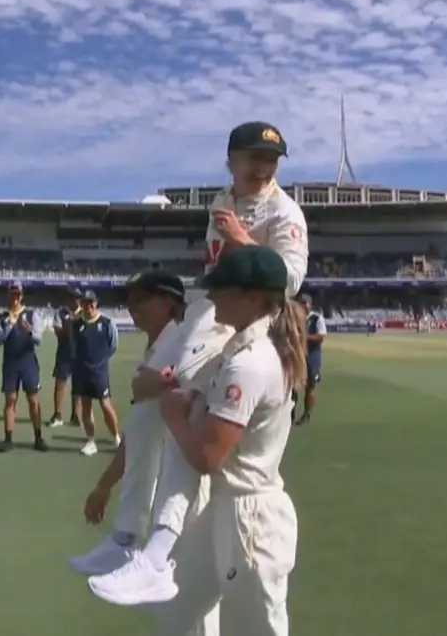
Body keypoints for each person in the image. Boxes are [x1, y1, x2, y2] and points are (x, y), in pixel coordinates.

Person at [87, 121, 308, 613]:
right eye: (251, 157)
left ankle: (156, 553)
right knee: (145, 399)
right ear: (230, 158)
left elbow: (287, 282)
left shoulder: (283, 213)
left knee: (177, 412)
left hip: (248, 320)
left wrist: (242, 238)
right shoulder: (219, 201)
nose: (261, 167)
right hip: (211, 308)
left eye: (269, 160)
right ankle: (128, 535)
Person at [107, 246, 305, 635]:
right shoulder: (243, 349)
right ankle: (154, 561)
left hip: (250, 519)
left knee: (257, 628)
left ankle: (152, 559)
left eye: (221, 290)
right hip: (223, 508)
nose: (211, 298)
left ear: (250, 298)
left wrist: (174, 415)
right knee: (180, 613)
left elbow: (208, 455)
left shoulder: (251, 362)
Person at [72, 270, 186, 575]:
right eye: (129, 300)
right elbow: (139, 432)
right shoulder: (158, 347)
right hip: (158, 502)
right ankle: (124, 539)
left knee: (188, 610)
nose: (132, 307)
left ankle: (127, 542)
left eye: (141, 299)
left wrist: (153, 382)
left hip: (179, 507)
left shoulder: (181, 343)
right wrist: (103, 486)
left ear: (167, 302)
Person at [0, 283, 48, 453]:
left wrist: (29, 331)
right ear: (8, 295)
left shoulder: (31, 315)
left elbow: (39, 339)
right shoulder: (1, 317)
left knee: (33, 400)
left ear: (21, 296)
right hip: (10, 363)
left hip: (28, 362)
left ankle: (38, 437)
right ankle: (8, 439)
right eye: (12, 294)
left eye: (18, 294)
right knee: (10, 400)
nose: (15, 298)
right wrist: (8, 326)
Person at [72, 290, 121, 457]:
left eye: (92, 302)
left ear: (96, 303)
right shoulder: (76, 324)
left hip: (99, 372)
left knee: (106, 406)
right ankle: (91, 441)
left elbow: (113, 346)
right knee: (86, 407)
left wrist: (101, 362)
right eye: (86, 302)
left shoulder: (107, 323)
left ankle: (116, 438)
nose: (89, 305)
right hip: (82, 372)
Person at [47, 292, 82, 428]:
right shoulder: (60, 313)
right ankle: (58, 415)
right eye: (74, 298)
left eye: (78, 298)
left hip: (80, 354)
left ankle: (76, 415)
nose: (76, 301)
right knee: (60, 385)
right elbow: (58, 332)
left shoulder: (84, 313)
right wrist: (70, 323)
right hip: (64, 353)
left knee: (78, 387)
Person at [293, 293, 325, 426]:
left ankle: (306, 414)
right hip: (295, 354)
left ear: (310, 305)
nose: (303, 305)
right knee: (292, 386)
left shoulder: (316, 318)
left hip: (312, 356)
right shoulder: (293, 317)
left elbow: (321, 336)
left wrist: (304, 337)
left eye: (305, 303)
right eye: (301, 302)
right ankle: (290, 414)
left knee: (310, 386)